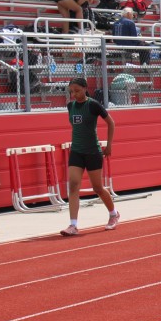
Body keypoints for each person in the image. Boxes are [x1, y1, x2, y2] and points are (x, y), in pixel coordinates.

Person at [60, 78, 118, 236]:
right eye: (71, 91)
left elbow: (111, 123)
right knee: (73, 185)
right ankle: (73, 225)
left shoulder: (93, 105)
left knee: (97, 188)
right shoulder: (70, 106)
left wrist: (109, 145)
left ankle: (113, 214)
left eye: (77, 90)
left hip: (92, 151)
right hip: (76, 151)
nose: (74, 94)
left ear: (85, 88)